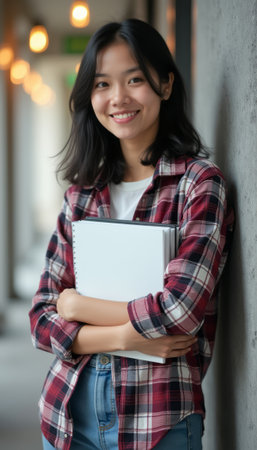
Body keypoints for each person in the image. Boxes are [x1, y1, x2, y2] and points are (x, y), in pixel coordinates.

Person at [29, 18, 233, 450]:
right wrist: (124, 336)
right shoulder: (81, 196)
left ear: (165, 84)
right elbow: (41, 320)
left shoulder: (198, 184)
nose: (118, 98)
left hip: (158, 418)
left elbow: (179, 312)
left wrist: (78, 304)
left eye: (135, 79)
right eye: (102, 84)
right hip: (69, 413)